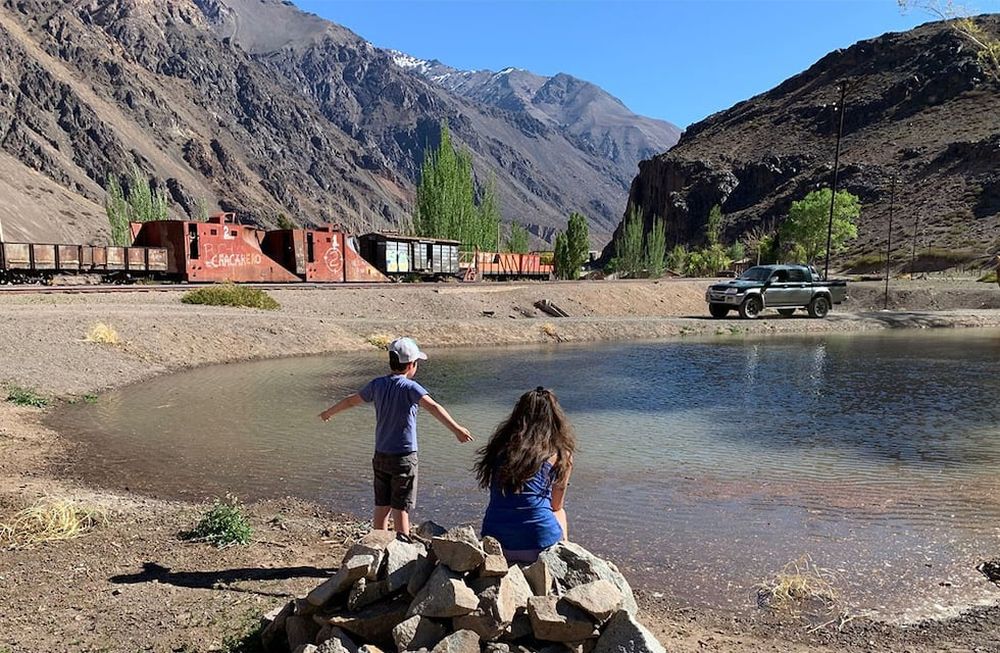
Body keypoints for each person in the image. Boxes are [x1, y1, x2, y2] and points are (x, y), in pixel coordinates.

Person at [319, 337, 473, 536]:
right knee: (401, 507)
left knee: (382, 506)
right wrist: (456, 429)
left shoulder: (377, 384)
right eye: (417, 363)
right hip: (404, 457)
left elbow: (350, 401)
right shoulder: (411, 388)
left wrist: (328, 413)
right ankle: (403, 548)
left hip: (380, 455)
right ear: (411, 365)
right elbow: (434, 407)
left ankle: (377, 546)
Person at [475, 386, 575, 563]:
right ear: (555, 418)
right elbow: (556, 505)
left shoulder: (499, 448)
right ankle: (562, 555)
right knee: (560, 512)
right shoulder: (561, 454)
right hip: (540, 546)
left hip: (496, 543)